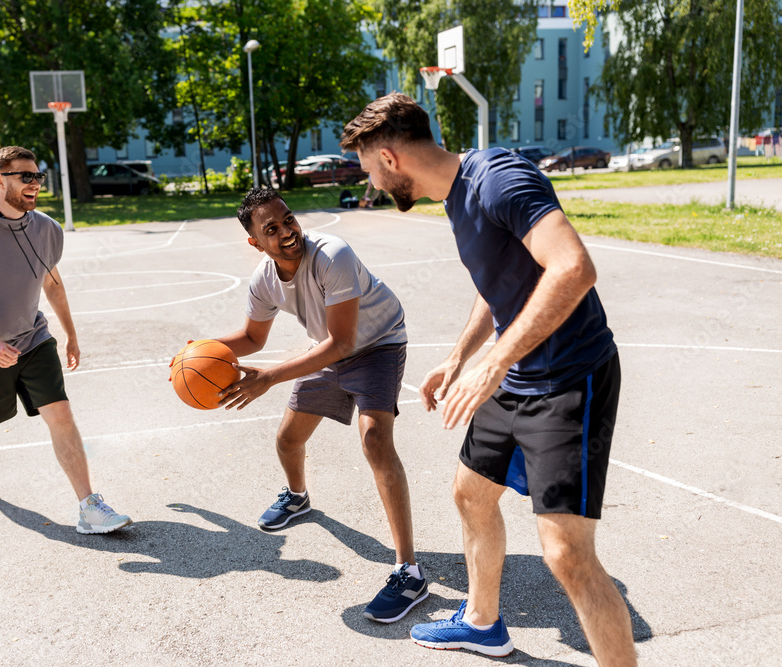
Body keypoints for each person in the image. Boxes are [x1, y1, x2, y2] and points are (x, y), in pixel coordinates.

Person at [340, 93, 636, 665]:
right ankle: (482, 622)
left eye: (369, 170)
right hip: (516, 373)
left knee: (566, 554)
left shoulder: (499, 177)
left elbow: (574, 266)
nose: (371, 183)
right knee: (471, 494)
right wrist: (460, 357)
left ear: (390, 157)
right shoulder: (455, 198)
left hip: (569, 377)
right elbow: (496, 277)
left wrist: (494, 362)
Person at [211, 187, 426, 623]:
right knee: (288, 440)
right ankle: (297, 497)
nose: (288, 232)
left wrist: (269, 378)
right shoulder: (264, 280)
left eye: (288, 219)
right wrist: (196, 350)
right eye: (272, 229)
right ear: (256, 242)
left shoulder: (333, 254)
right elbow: (253, 338)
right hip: (327, 351)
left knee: (375, 440)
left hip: (377, 344)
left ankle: (409, 571)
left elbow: (344, 340)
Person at [0, 145, 131, 535]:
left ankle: (89, 507)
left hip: (34, 339)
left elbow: (52, 285)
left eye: (38, 176)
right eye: (25, 176)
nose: (35, 184)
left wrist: (71, 334)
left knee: (61, 415)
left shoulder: (46, 228)